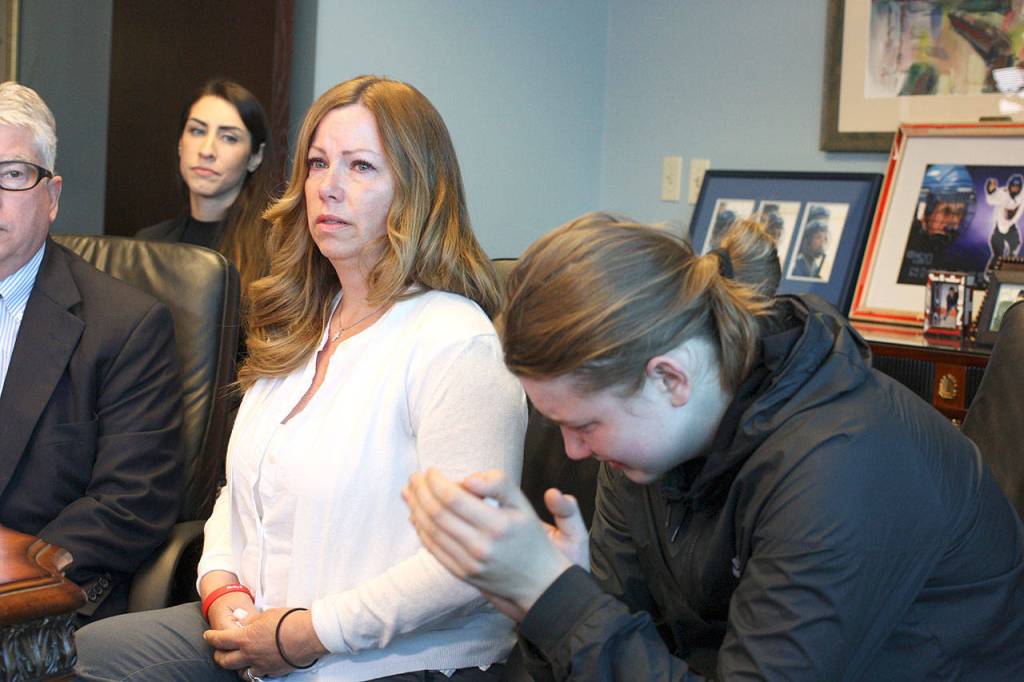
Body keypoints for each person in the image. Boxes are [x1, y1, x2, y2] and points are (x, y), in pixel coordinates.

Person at [404, 212, 1024, 680]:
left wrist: (554, 599)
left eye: (585, 425)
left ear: (670, 377)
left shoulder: (842, 468)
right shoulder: (645, 453)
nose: (572, 452)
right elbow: (622, 643)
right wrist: (543, 600)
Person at [75, 75, 527, 681]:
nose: (329, 188)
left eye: (361, 166)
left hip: (384, 659)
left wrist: (302, 634)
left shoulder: (455, 342)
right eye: (318, 164)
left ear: (417, 190)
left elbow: (469, 565)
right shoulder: (304, 323)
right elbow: (239, 496)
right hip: (253, 631)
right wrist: (220, 589)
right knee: (67, 659)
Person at [0, 82, 183, 622]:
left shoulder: (126, 326)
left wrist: (16, 573)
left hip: (38, 598)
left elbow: (131, 504)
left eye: (11, 175)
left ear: (51, 197)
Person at [136, 79, 273, 307]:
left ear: (255, 157)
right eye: (197, 131)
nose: (207, 151)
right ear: (181, 143)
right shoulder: (148, 244)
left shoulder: (276, 251)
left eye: (229, 137)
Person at [898, 164, 975, 285]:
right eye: (946, 211)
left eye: (960, 212)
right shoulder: (900, 249)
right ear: (925, 210)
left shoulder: (962, 260)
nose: (954, 222)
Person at [984, 173, 1024, 271]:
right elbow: (991, 200)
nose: (1014, 189)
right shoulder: (1003, 193)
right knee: (998, 254)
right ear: (1009, 186)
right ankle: (990, 272)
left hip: (1011, 227)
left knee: (1015, 247)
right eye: (1013, 187)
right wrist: (991, 190)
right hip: (999, 228)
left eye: (1017, 187)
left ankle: (1009, 269)